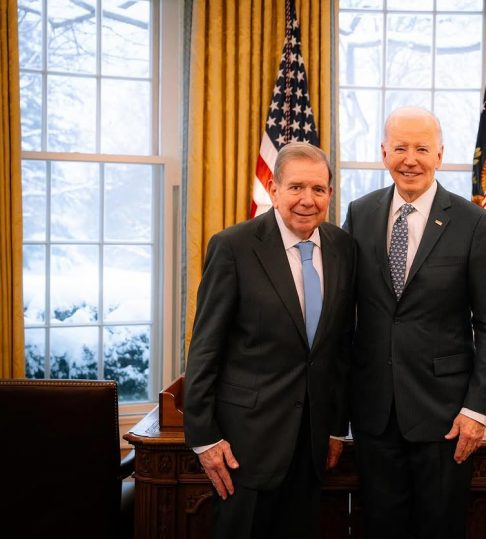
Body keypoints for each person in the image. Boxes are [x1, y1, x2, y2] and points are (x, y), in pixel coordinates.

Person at [343, 107, 486, 539]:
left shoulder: (473, 222)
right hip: (374, 413)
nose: (410, 158)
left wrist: (477, 411)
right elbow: (342, 316)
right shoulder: (359, 214)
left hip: (446, 416)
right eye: (400, 147)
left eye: (421, 148)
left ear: (440, 154)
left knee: (440, 526)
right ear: (384, 153)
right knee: (380, 526)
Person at [184, 142, 355, 539]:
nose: (307, 200)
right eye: (295, 187)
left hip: (311, 445)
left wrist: (334, 427)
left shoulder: (343, 248)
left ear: (330, 193)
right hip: (245, 444)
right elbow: (205, 347)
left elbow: (339, 347)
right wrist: (204, 437)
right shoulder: (234, 247)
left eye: (318, 189)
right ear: (274, 189)